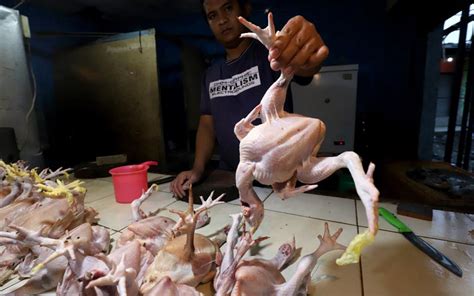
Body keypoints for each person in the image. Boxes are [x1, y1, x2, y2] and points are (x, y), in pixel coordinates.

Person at [171, 0, 329, 197]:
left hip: (279, 176)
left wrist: (305, 52)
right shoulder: (211, 74)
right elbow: (206, 124)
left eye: (228, 8)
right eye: (213, 16)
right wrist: (197, 169)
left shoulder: (270, 53)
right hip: (232, 177)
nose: (222, 20)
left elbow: (305, 68)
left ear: (245, 9)